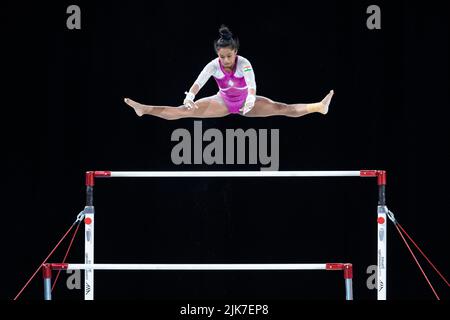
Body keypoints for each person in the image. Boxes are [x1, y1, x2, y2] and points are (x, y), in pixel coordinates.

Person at [124, 25, 334, 120]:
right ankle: (144, 109)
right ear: (218, 53)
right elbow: (199, 82)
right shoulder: (213, 65)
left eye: (229, 56)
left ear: (235, 52)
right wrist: (190, 96)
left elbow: (252, 83)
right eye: (222, 56)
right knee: (183, 111)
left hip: (246, 103)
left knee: (281, 107)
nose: (225, 60)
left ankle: (318, 106)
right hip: (222, 102)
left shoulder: (244, 63)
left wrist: (251, 98)